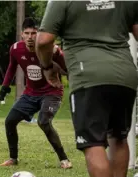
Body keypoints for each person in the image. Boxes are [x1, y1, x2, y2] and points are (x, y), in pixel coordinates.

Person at [35, 1, 138, 177]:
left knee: (92, 143)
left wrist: (47, 67)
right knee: (119, 138)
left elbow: (44, 41)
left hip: (88, 76)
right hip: (125, 74)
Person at [0, 17, 72, 169]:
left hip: (52, 92)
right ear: (21, 34)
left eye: (34, 33)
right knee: (10, 121)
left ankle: (64, 160)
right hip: (30, 93)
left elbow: (68, 70)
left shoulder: (51, 50)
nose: (30, 37)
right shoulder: (15, 49)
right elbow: (11, 69)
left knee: (43, 122)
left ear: (39, 34)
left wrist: (56, 64)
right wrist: (3, 90)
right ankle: (13, 159)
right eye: (27, 33)